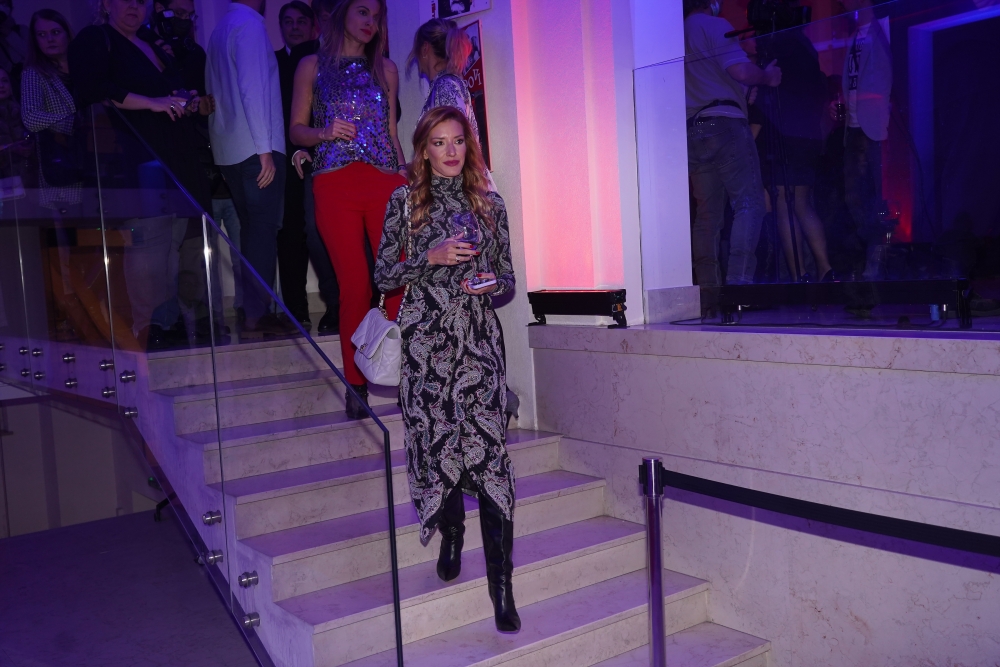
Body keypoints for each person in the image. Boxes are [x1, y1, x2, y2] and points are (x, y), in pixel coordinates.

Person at [374, 106, 519, 633]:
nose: (451, 151)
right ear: (424, 150)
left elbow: (507, 278)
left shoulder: (490, 204)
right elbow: (383, 274)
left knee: (491, 455)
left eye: (458, 140)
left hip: (478, 343)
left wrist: (491, 284)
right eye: (439, 142)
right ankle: (452, 531)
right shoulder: (404, 202)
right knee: (437, 445)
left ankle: (502, 588)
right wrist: (429, 259)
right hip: (426, 344)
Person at [289, 0, 407, 417]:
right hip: (334, 183)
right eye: (362, 12)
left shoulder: (386, 69)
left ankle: (408, 378)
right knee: (355, 286)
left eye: (376, 16)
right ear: (342, 13)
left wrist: (404, 178)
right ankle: (355, 386)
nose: (370, 22)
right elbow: (296, 130)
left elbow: (390, 133)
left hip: (385, 183)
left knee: (396, 282)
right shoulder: (311, 66)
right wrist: (323, 133)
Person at [207, 0, 293, 336]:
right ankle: (257, 315)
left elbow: (217, 93)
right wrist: (264, 150)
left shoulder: (221, 28)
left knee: (251, 231)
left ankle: (252, 310)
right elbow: (253, 90)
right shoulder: (250, 25)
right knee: (261, 231)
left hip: (230, 149)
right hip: (255, 148)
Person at [684, 0, 780, 293]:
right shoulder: (715, 25)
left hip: (692, 128)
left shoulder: (675, 34)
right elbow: (741, 71)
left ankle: (708, 293)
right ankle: (739, 286)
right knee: (749, 203)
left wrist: (739, 94)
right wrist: (767, 77)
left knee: (707, 215)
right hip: (725, 123)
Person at [752, 29, 833, 282]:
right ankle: (825, 268)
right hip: (807, 139)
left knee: (784, 207)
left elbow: (760, 114)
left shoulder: (774, 69)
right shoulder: (810, 68)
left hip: (781, 141)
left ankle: (799, 275)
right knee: (802, 204)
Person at [289, 0, 342, 335]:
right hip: (318, 159)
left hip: (364, 162)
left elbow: (388, 112)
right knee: (315, 232)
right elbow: (294, 116)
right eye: (326, 13)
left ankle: (363, 302)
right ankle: (335, 302)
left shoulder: (373, 59)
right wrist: (302, 145)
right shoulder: (305, 57)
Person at [830, 0, 891, 280]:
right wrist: (841, 102)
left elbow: (883, 81)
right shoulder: (855, 35)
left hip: (871, 127)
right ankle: (871, 255)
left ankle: (875, 258)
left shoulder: (881, 31)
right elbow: (853, 82)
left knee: (869, 197)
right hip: (853, 126)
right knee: (854, 197)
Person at [276, 1, 316, 328]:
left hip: (323, 155)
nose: (294, 27)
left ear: (312, 26)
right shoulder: (272, 62)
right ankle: (295, 310)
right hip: (282, 159)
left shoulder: (323, 59)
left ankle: (335, 305)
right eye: (288, 22)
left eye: (301, 21)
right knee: (289, 235)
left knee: (320, 232)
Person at [21, 9, 79, 209]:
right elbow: (31, 117)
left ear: (67, 33)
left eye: (55, 32)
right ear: (35, 40)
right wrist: (74, 123)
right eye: (42, 34)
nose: (49, 39)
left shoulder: (84, 67)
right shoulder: (34, 73)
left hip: (96, 157)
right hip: (61, 162)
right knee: (72, 224)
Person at [146, 0, 206, 96]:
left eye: (190, 15)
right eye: (180, 13)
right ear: (159, 8)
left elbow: (200, 95)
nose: (186, 19)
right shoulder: (142, 47)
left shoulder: (196, 52)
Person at [0, 67, 30, 180]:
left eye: (4, 81)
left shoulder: (24, 111)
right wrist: (10, 149)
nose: (1, 85)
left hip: (27, 176)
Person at [0, 0, 26, 97]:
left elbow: (30, 53)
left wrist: (9, 34)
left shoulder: (22, 30)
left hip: (27, 79)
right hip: (7, 86)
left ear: (10, 8)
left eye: (4, 3)